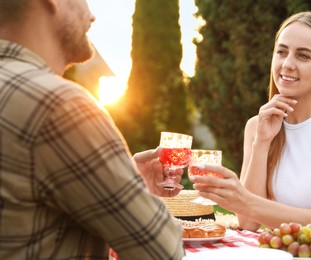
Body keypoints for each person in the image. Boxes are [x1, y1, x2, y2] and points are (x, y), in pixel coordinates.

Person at [190, 11, 311, 258]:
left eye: (303, 55)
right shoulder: (257, 126)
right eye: (281, 52)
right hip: (295, 251)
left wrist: (243, 200)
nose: (287, 64)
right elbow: (248, 222)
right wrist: (262, 141)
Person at [0, 0, 185, 259]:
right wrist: (138, 200)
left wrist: (125, 182)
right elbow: (161, 251)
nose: (93, 16)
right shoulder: (58, 104)